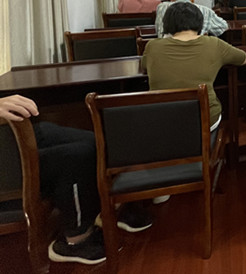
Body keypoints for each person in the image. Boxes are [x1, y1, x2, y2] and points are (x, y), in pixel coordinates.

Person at [0, 95, 149, 265]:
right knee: (76, 156)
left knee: (96, 142)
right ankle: (76, 240)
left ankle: (105, 210)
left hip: (14, 130)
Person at [142, 3, 246, 130]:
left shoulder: (152, 46)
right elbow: (244, 59)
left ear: (167, 23)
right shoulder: (214, 44)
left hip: (161, 118)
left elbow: (144, 66)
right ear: (199, 22)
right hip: (205, 118)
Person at [155, 0, 229, 37]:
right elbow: (222, 27)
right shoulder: (206, 10)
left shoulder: (162, 7)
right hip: (198, 49)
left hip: (166, 49)